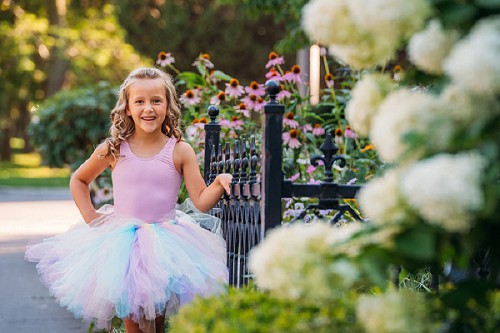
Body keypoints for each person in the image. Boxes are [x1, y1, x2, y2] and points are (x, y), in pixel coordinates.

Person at [25, 67, 231, 333]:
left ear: (168, 105)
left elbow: (201, 201)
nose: (149, 108)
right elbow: (79, 180)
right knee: (132, 319)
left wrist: (218, 182)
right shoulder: (114, 148)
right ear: (127, 108)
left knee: (157, 321)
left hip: (166, 246)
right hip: (123, 246)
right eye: (140, 101)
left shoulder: (180, 151)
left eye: (156, 100)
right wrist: (91, 217)